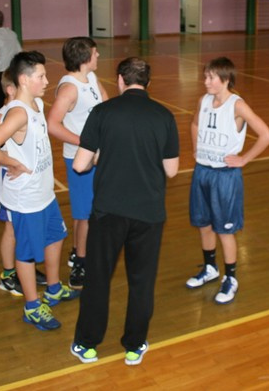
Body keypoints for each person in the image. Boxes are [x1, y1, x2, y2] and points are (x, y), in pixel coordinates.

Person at [70, 57, 179, 366]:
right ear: (148, 83)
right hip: (149, 214)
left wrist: (101, 156)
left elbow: (79, 165)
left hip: (108, 212)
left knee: (98, 279)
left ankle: (86, 344)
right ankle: (134, 345)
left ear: (120, 80)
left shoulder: (102, 112)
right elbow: (171, 170)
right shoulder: (164, 115)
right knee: (142, 282)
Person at [0, 51, 78, 331]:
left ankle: (53, 289)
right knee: (27, 253)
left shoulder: (36, 104)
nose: (46, 81)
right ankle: (32, 306)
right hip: (26, 199)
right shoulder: (18, 113)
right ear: (24, 79)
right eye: (41, 76)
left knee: (56, 237)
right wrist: (13, 162)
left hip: (44, 192)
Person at [185, 57, 269, 304]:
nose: (206, 81)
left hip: (224, 176)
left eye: (211, 77)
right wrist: (196, 148)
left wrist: (244, 159)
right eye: (205, 76)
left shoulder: (238, 105)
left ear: (225, 79)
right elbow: (194, 124)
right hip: (202, 171)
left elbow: (267, 135)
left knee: (224, 230)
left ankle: (231, 278)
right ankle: (210, 268)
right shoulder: (203, 101)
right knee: (204, 225)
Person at [46, 37, 108, 289]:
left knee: (87, 211)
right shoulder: (70, 88)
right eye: (95, 52)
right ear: (85, 57)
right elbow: (52, 124)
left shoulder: (91, 77)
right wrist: (85, 142)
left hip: (96, 155)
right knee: (85, 216)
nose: (98, 56)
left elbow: (105, 102)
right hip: (79, 159)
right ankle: (80, 264)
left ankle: (76, 252)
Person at [0, 72, 47, 296]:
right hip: (12, 180)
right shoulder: (4, 115)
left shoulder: (27, 109)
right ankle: (8, 276)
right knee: (12, 229)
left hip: (29, 182)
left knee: (23, 229)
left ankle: (26, 268)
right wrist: (12, 162)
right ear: (11, 89)